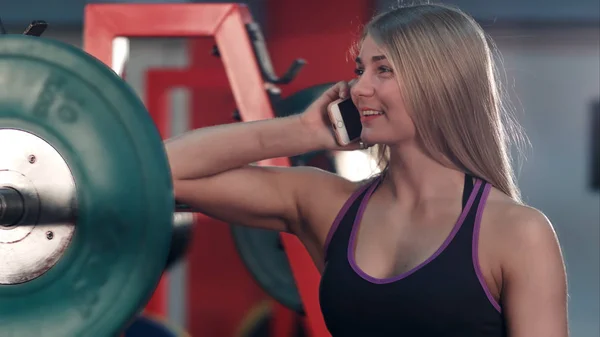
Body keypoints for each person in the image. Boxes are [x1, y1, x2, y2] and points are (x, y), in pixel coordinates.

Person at [165, 3, 569, 336]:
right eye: (360, 69)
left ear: (440, 85)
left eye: (383, 70)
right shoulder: (328, 205)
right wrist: (302, 130)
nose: (359, 88)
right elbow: (160, 173)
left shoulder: (518, 233)